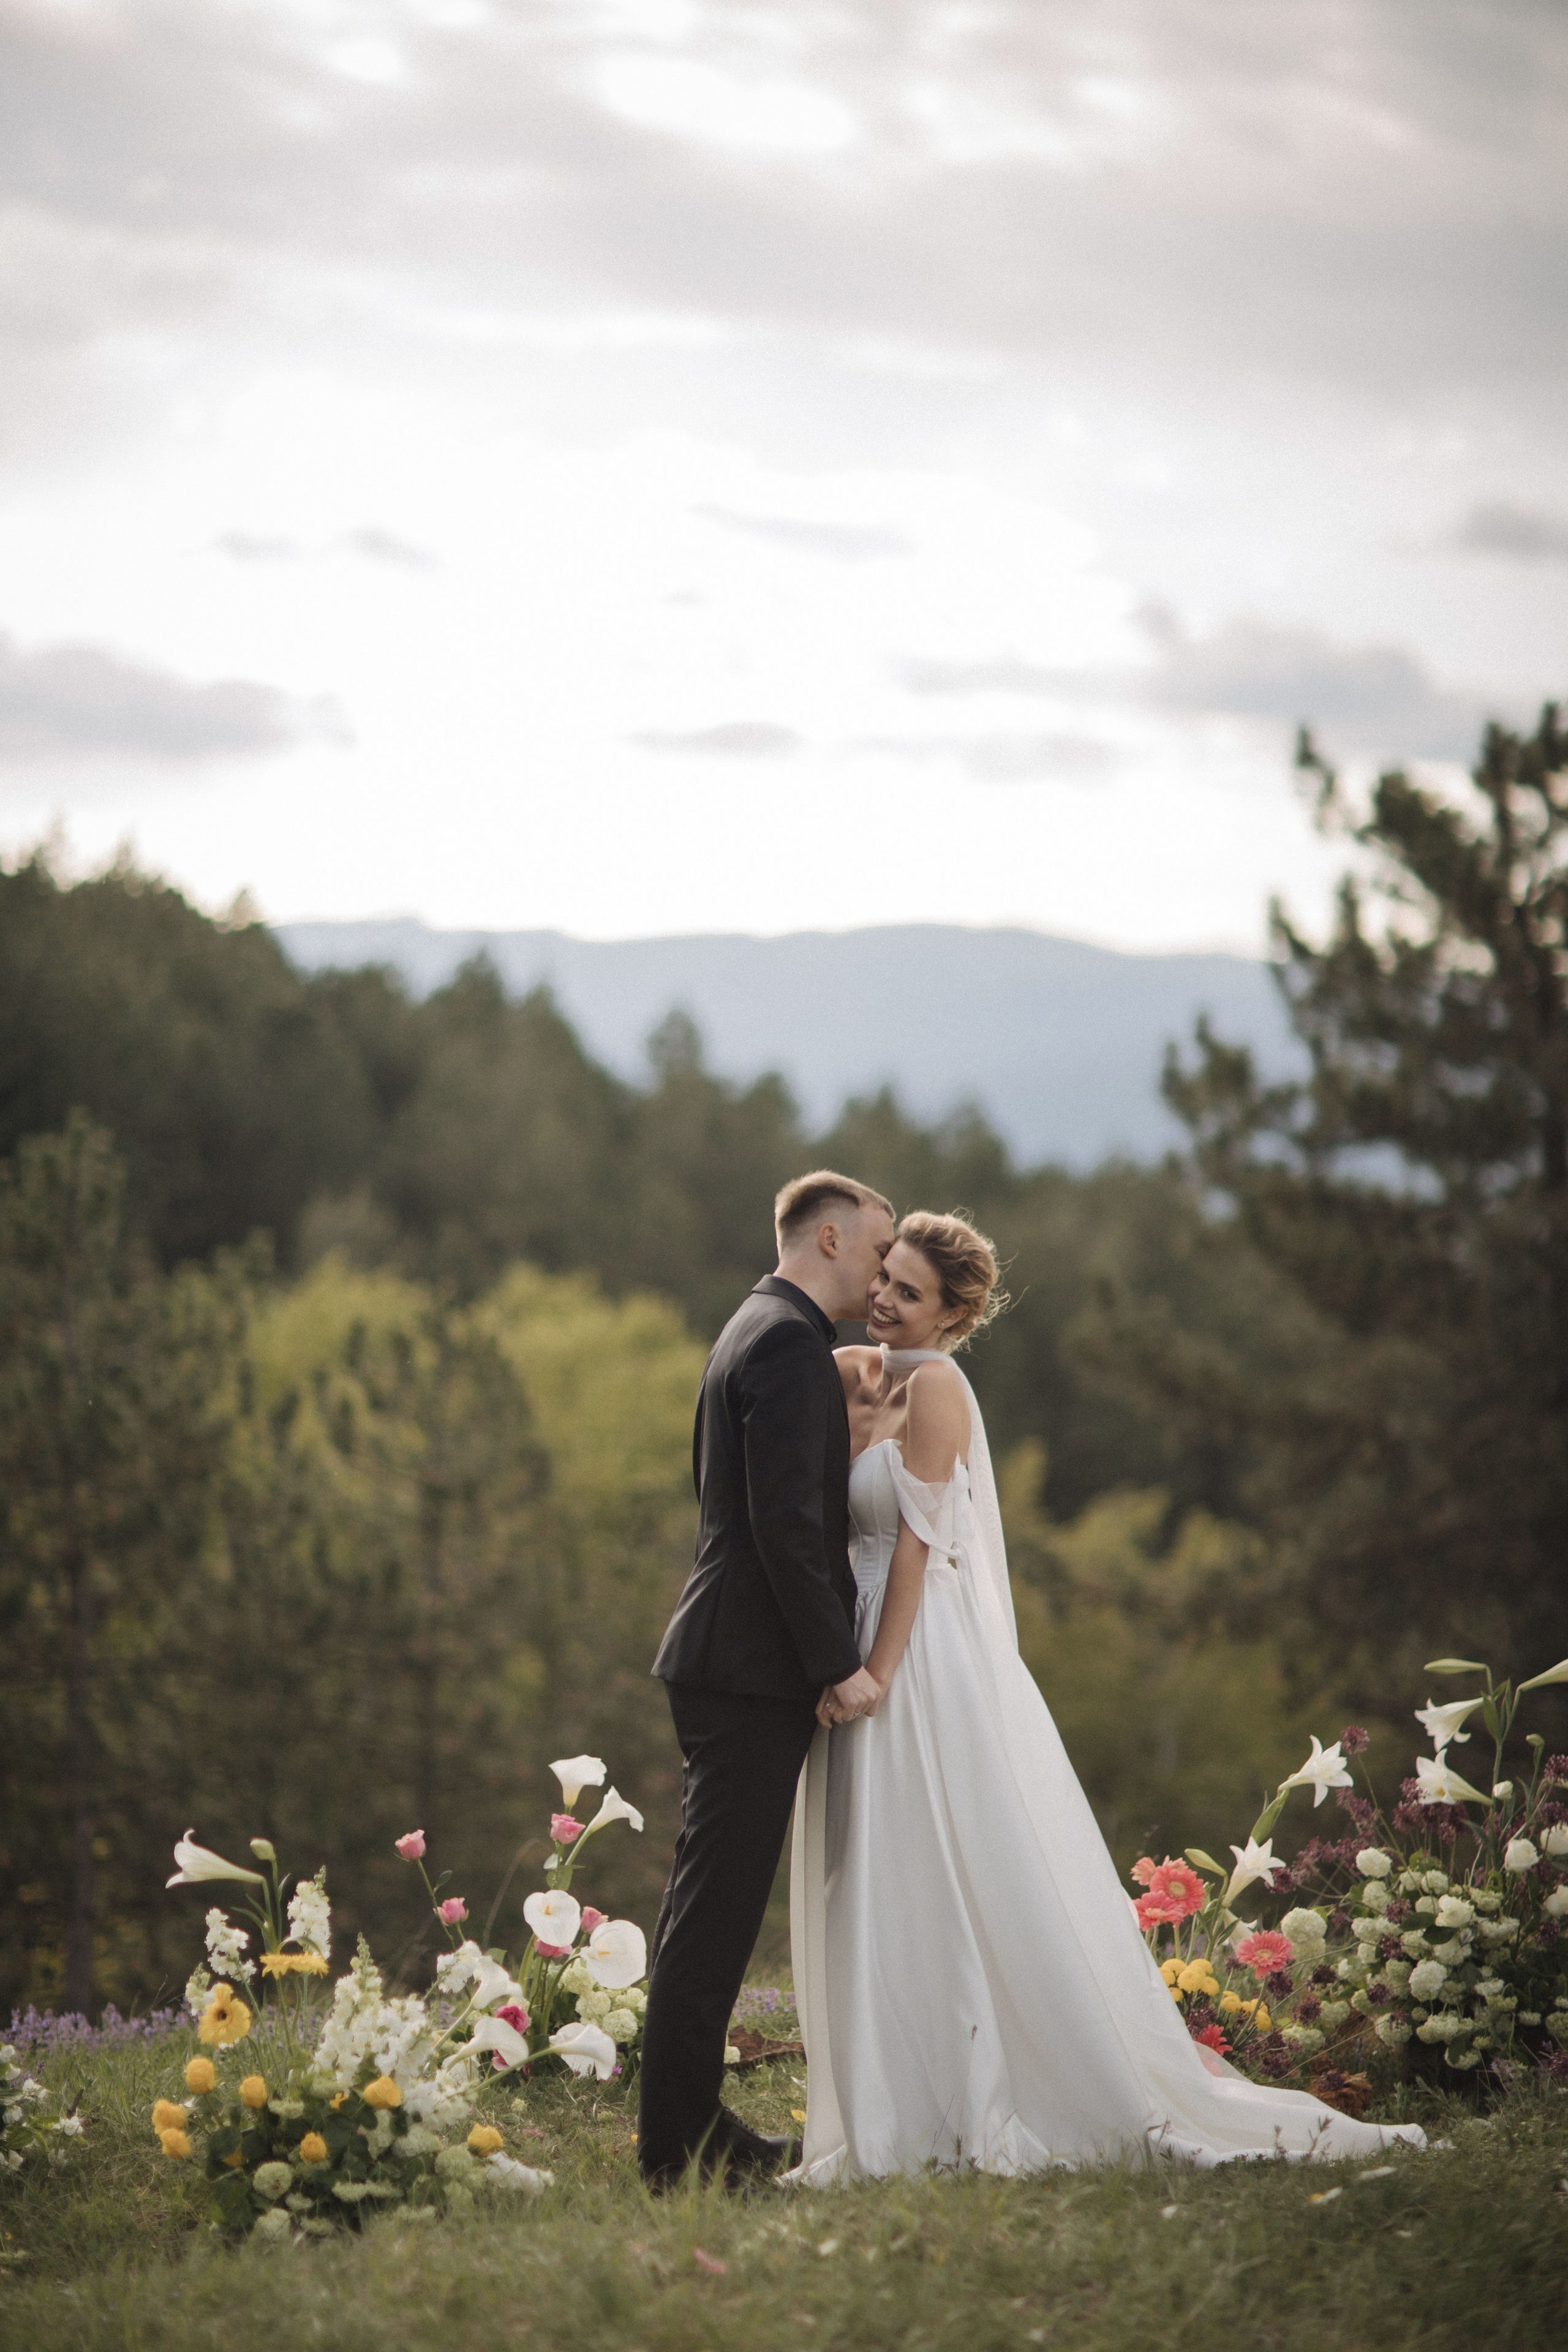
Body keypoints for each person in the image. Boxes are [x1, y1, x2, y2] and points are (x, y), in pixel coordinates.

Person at [788, 1209, 1426, 2180]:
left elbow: (915, 1546)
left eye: (908, 1293)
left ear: (953, 1316)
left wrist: (877, 1669)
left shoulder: (941, 1388)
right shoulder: (846, 1372)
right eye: (884, 1278)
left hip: (917, 1644)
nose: (882, 1299)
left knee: (935, 1846)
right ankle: (893, 2085)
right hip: (853, 1629)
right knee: (872, 1860)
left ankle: (979, 2089)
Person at [637, 1169, 896, 2189]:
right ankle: (679, 2151)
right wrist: (838, 1664)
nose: (883, 1272)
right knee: (713, 1918)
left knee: (705, 1909)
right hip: (748, 1668)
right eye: (878, 1249)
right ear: (829, 1238)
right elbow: (785, 1526)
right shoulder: (789, 1343)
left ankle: (687, 2128)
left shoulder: (754, 1324)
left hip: (726, 1656)